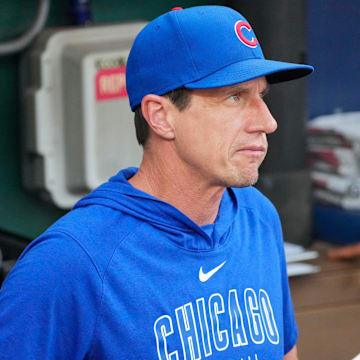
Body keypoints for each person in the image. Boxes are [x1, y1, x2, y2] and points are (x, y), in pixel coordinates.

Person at [0, 5, 313, 360]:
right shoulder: (69, 263)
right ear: (161, 116)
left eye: (262, 96)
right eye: (235, 97)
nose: (268, 122)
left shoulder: (259, 218)